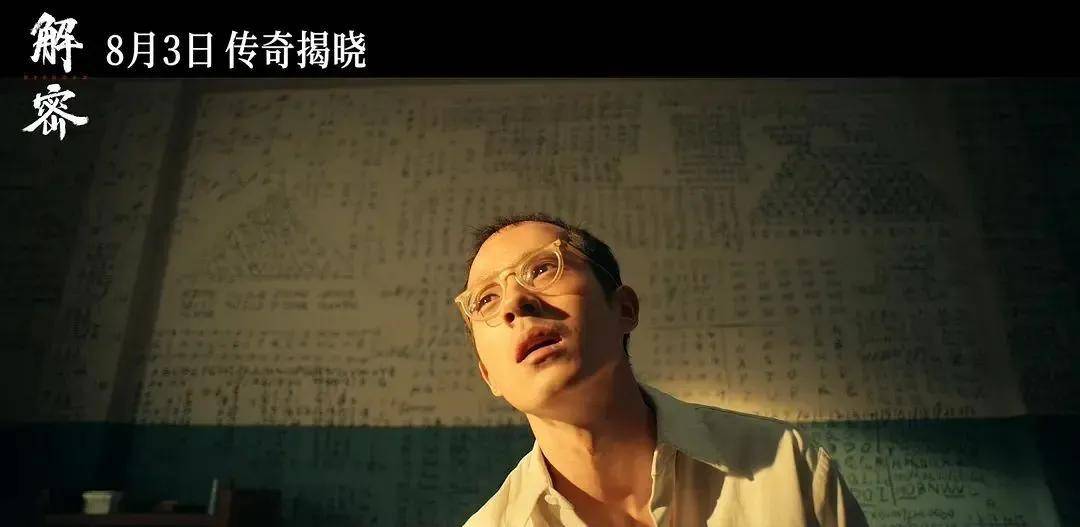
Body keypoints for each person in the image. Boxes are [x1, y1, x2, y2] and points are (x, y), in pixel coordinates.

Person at [456, 212, 867, 527]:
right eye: (486, 299)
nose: (515, 302)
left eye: (543, 268)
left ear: (624, 309)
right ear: (488, 375)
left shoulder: (787, 468)